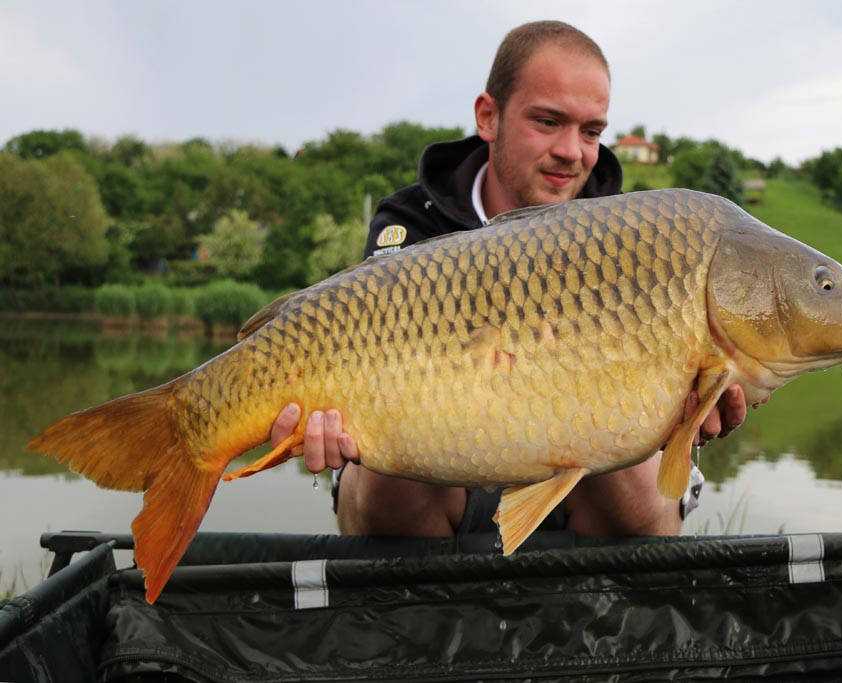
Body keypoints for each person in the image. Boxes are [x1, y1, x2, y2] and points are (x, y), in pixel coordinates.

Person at [271, 20, 749, 539]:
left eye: (591, 132)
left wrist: (687, 407)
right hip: (444, 469)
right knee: (384, 471)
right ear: (489, 116)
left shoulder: (629, 235)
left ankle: (597, 616)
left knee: (628, 456)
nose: (573, 151)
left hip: (585, 484)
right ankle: (424, 615)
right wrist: (332, 427)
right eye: (548, 122)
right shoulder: (413, 223)